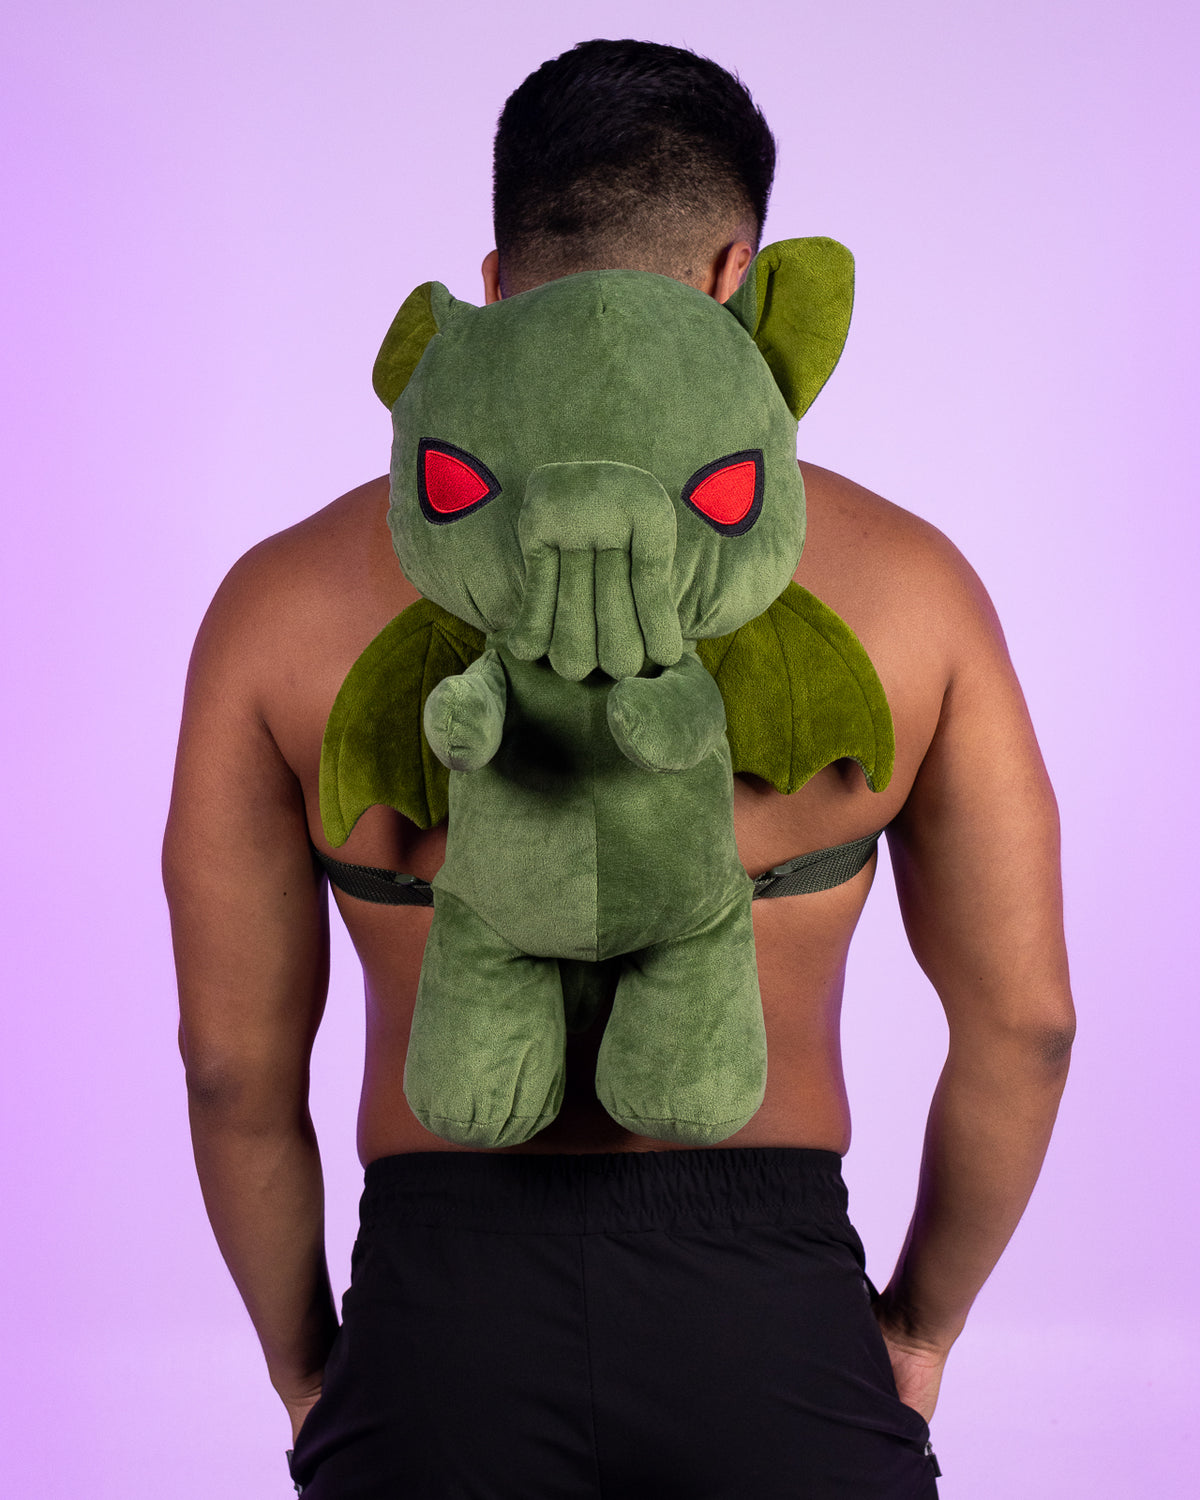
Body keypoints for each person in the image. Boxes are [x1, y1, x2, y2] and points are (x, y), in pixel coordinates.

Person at [163, 38, 1074, 1499]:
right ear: (738, 277)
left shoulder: (277, 604)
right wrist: (915, 1332)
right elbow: (1027, 1029)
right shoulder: (912, 591)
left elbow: (230, 1072)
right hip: (770, 1318)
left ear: (493, 285)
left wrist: (316, 1375)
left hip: (438, 1319)